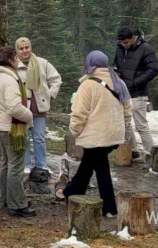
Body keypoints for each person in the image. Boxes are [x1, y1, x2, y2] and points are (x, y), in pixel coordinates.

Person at [55, 51, 133, 218]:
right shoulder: (118, 81)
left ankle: (109, 208)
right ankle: (72, 193)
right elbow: (127, 107)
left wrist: (75, 131)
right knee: (92, 165)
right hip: (113, 136)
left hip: (97, 136)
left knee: (100, 168)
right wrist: (124, 125)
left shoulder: (87, 85)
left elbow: (78, 113)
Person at [0, 46, 36, 217]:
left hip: (1, 126)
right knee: (16, 166)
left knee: (8, 164)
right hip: (11, 129)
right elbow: (14, 107)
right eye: (16, 58)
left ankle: (7, 198)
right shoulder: (10, 80)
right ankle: (17, 205)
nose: (18, 61)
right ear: (10, 61)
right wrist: (29, 117)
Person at [15, 37, 62, 173]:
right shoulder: (15, 65)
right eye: (21, 48)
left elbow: (56, 79)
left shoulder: (42, 63)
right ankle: (26, 165)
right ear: (17, 50)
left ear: (31, 47)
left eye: (27, 47)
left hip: (39, 105)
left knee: (39, 137)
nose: (25, 51)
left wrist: (50, 95)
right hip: (22, 106)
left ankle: (41, 164)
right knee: (24, 136)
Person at [112, 27, 158, 161]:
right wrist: (116, 72)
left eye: (126, 42)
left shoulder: (146, 48)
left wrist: (134, 82)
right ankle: (132, 151)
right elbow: (116, 64)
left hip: (138, 92)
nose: (123, 45)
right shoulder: (120, 47)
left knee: (141, 125)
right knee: (125, 123)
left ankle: (151, 155)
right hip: (123, 92)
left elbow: (153, 70)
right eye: (121, 43)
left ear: (133, 38)